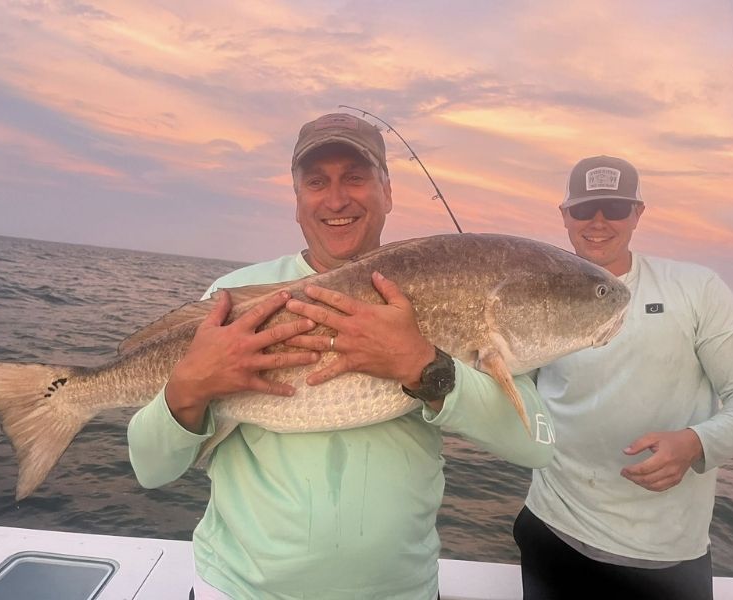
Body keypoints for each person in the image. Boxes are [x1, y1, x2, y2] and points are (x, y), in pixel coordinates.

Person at [128, 112, 555, 600]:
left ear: (387, 192)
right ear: (297, 201)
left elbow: (537, 445)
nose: (336, 199)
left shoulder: (454, 287)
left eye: (355, 177)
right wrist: (189, 387)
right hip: (239, 590)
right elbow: (151, 469)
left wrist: (424, 367)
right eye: (317, 182)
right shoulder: (232, 299)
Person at [513, 155, 733, 600]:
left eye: (615, 208)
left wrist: (697, 443)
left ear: (637, 213)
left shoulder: (696, 288)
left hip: (666, 560)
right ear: (565, 215)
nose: (598, 221)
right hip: (551, 530)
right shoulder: (531, 295)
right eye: (583, 209)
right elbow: (513, 388)